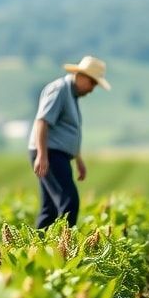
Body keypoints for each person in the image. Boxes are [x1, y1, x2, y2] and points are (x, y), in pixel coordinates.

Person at [29, 55, 110, 230]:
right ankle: (62, 249)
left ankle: (37, 250)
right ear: (81, 76)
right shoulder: (59, 90)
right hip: (50, 153)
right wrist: (42, 155)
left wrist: (78, 159)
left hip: (56, 153)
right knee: (69, 202)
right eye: (92, 83)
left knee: (49, 208)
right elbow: (42, 121)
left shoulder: (71, 95)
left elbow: (68, 131)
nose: (92, 89)